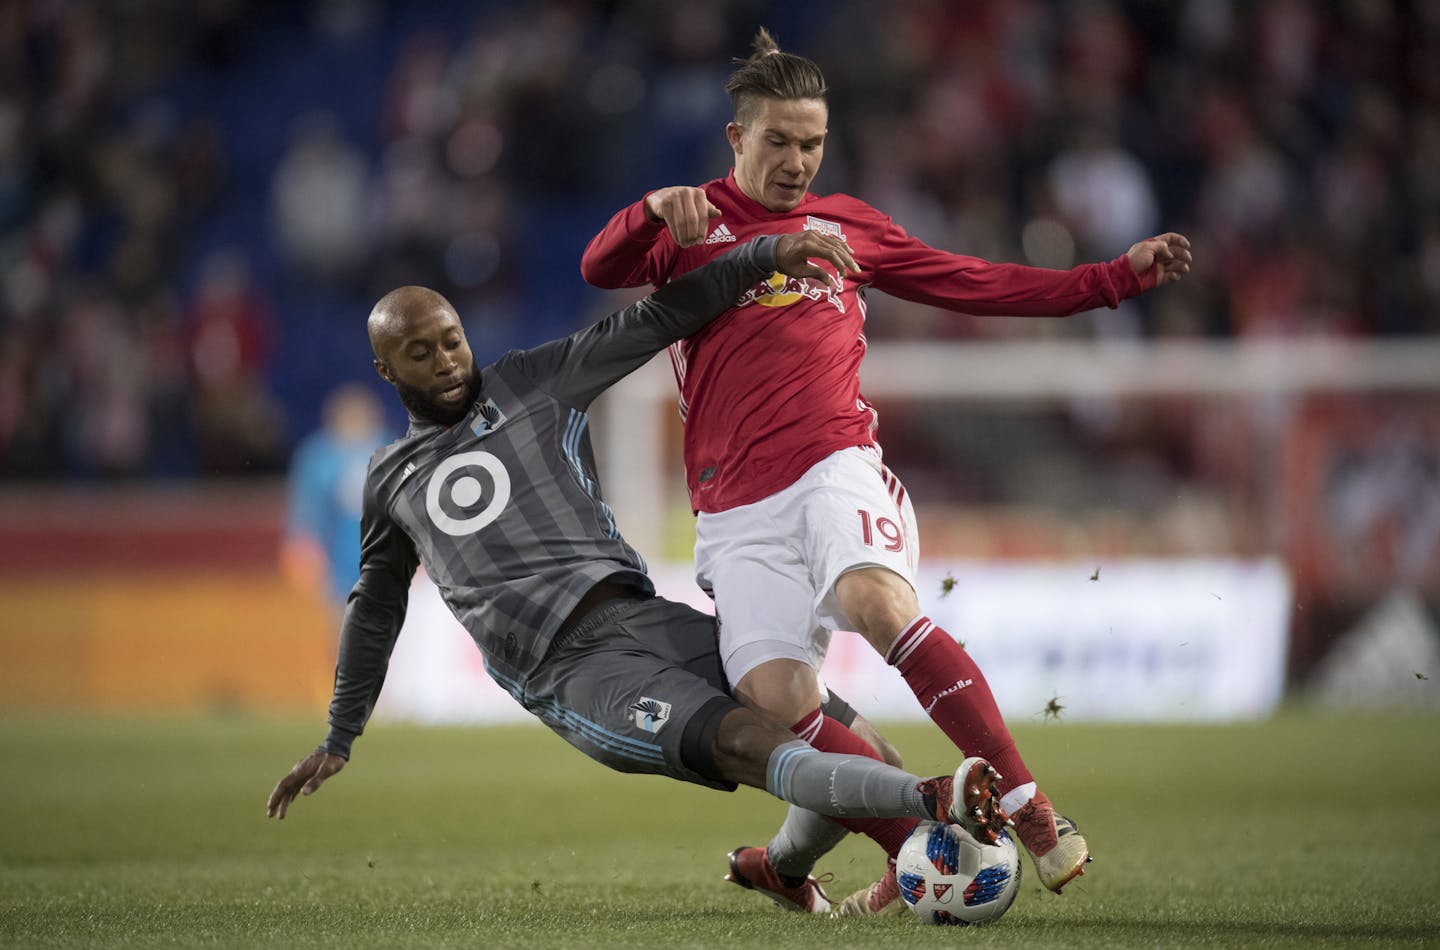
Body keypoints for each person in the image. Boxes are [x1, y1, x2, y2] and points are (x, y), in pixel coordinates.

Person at [580, 27, 1193, 914]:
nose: (797, 161)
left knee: (877, 602)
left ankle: (1031, 809)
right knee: (787, 714)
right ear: (736, 139)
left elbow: (976, 281)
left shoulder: (848, 227)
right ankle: (847, 870)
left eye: (812, 143)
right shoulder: (693, 225)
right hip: (734, 514)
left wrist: (1110, 279)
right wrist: (647, 212)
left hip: (835, 465)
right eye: (779, 141)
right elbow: (600, 265)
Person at [265, 233, 1005, 916]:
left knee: (865, 748)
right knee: (751, 741)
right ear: (385, 369)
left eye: (452, 341)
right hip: (571, 669)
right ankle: (935, 801)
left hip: (645, 616)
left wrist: (760, 258)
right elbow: (375, 605)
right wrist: (341, 733)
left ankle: (781, 868)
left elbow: (651, 322)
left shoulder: (530, 382)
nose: (447, 361)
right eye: (420, 353)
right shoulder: (389, 478)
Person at [281, 383, 390, 609]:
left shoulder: (390, 449)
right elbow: (307, 509)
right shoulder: (319, 457)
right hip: (337, 563)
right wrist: (303, 546)